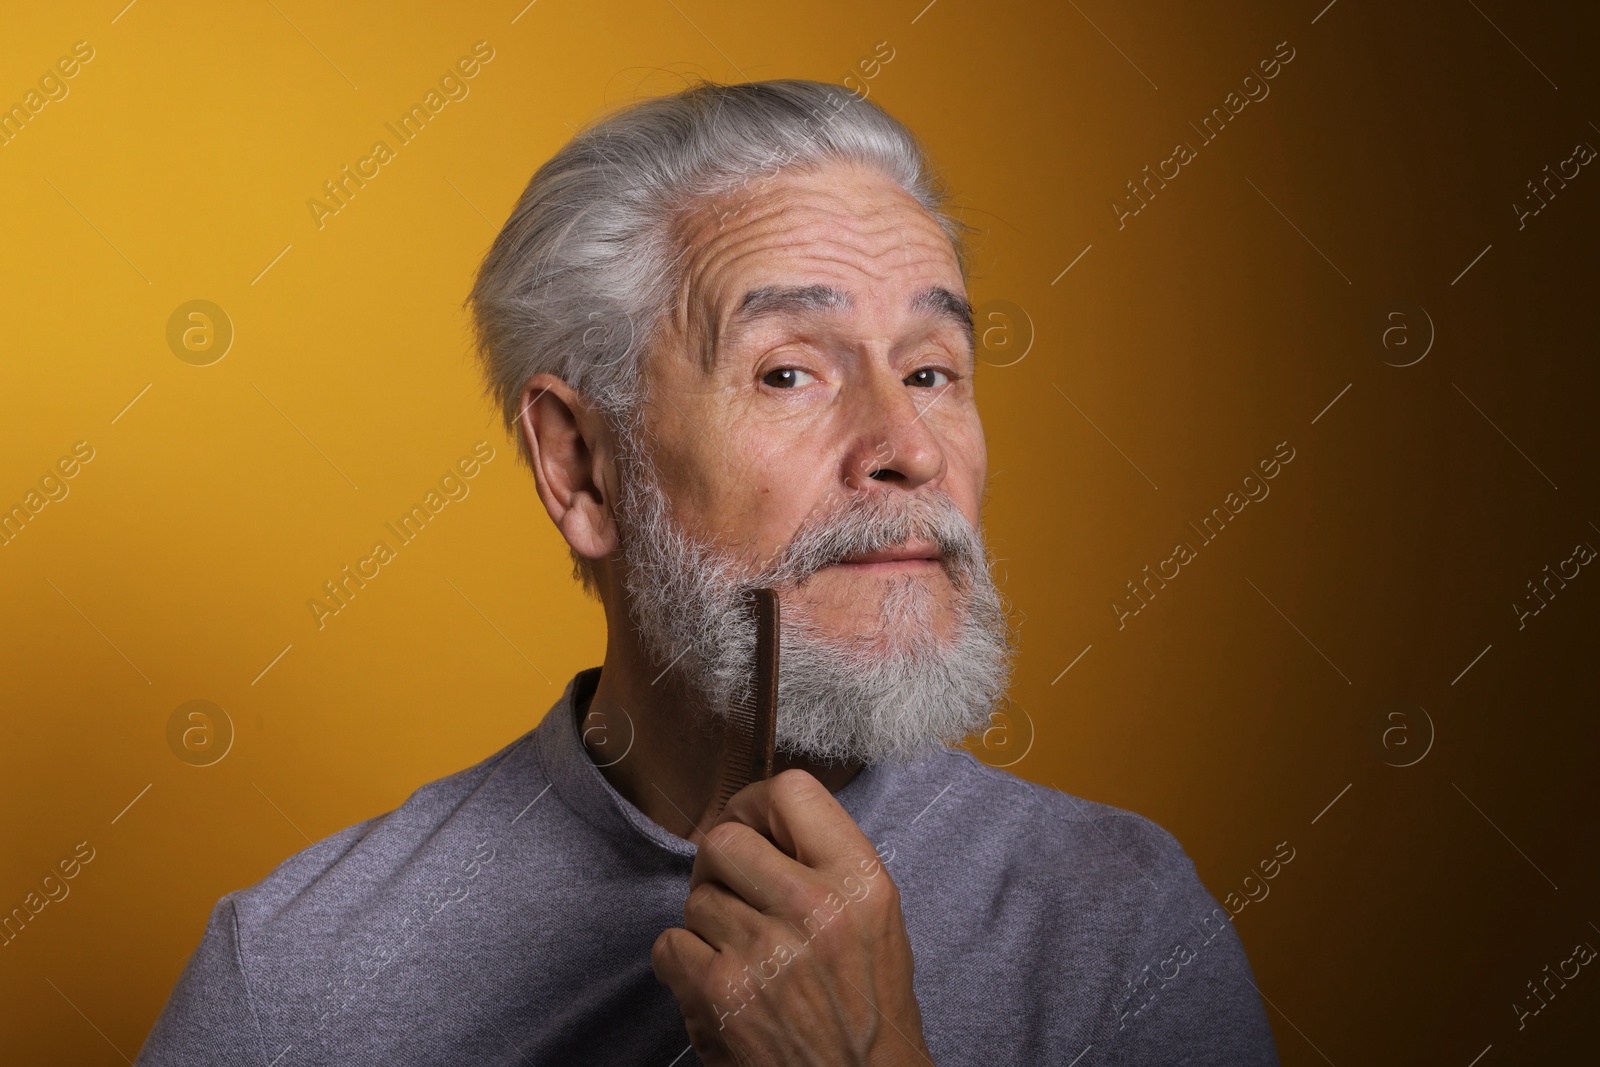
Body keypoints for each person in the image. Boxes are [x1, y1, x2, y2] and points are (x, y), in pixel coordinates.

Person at [135, 78, 1279, 1066]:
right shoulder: (291, 980)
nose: (910, 447)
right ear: (582, 467)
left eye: (932, 370)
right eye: (789, 373)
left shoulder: (1120, 920)